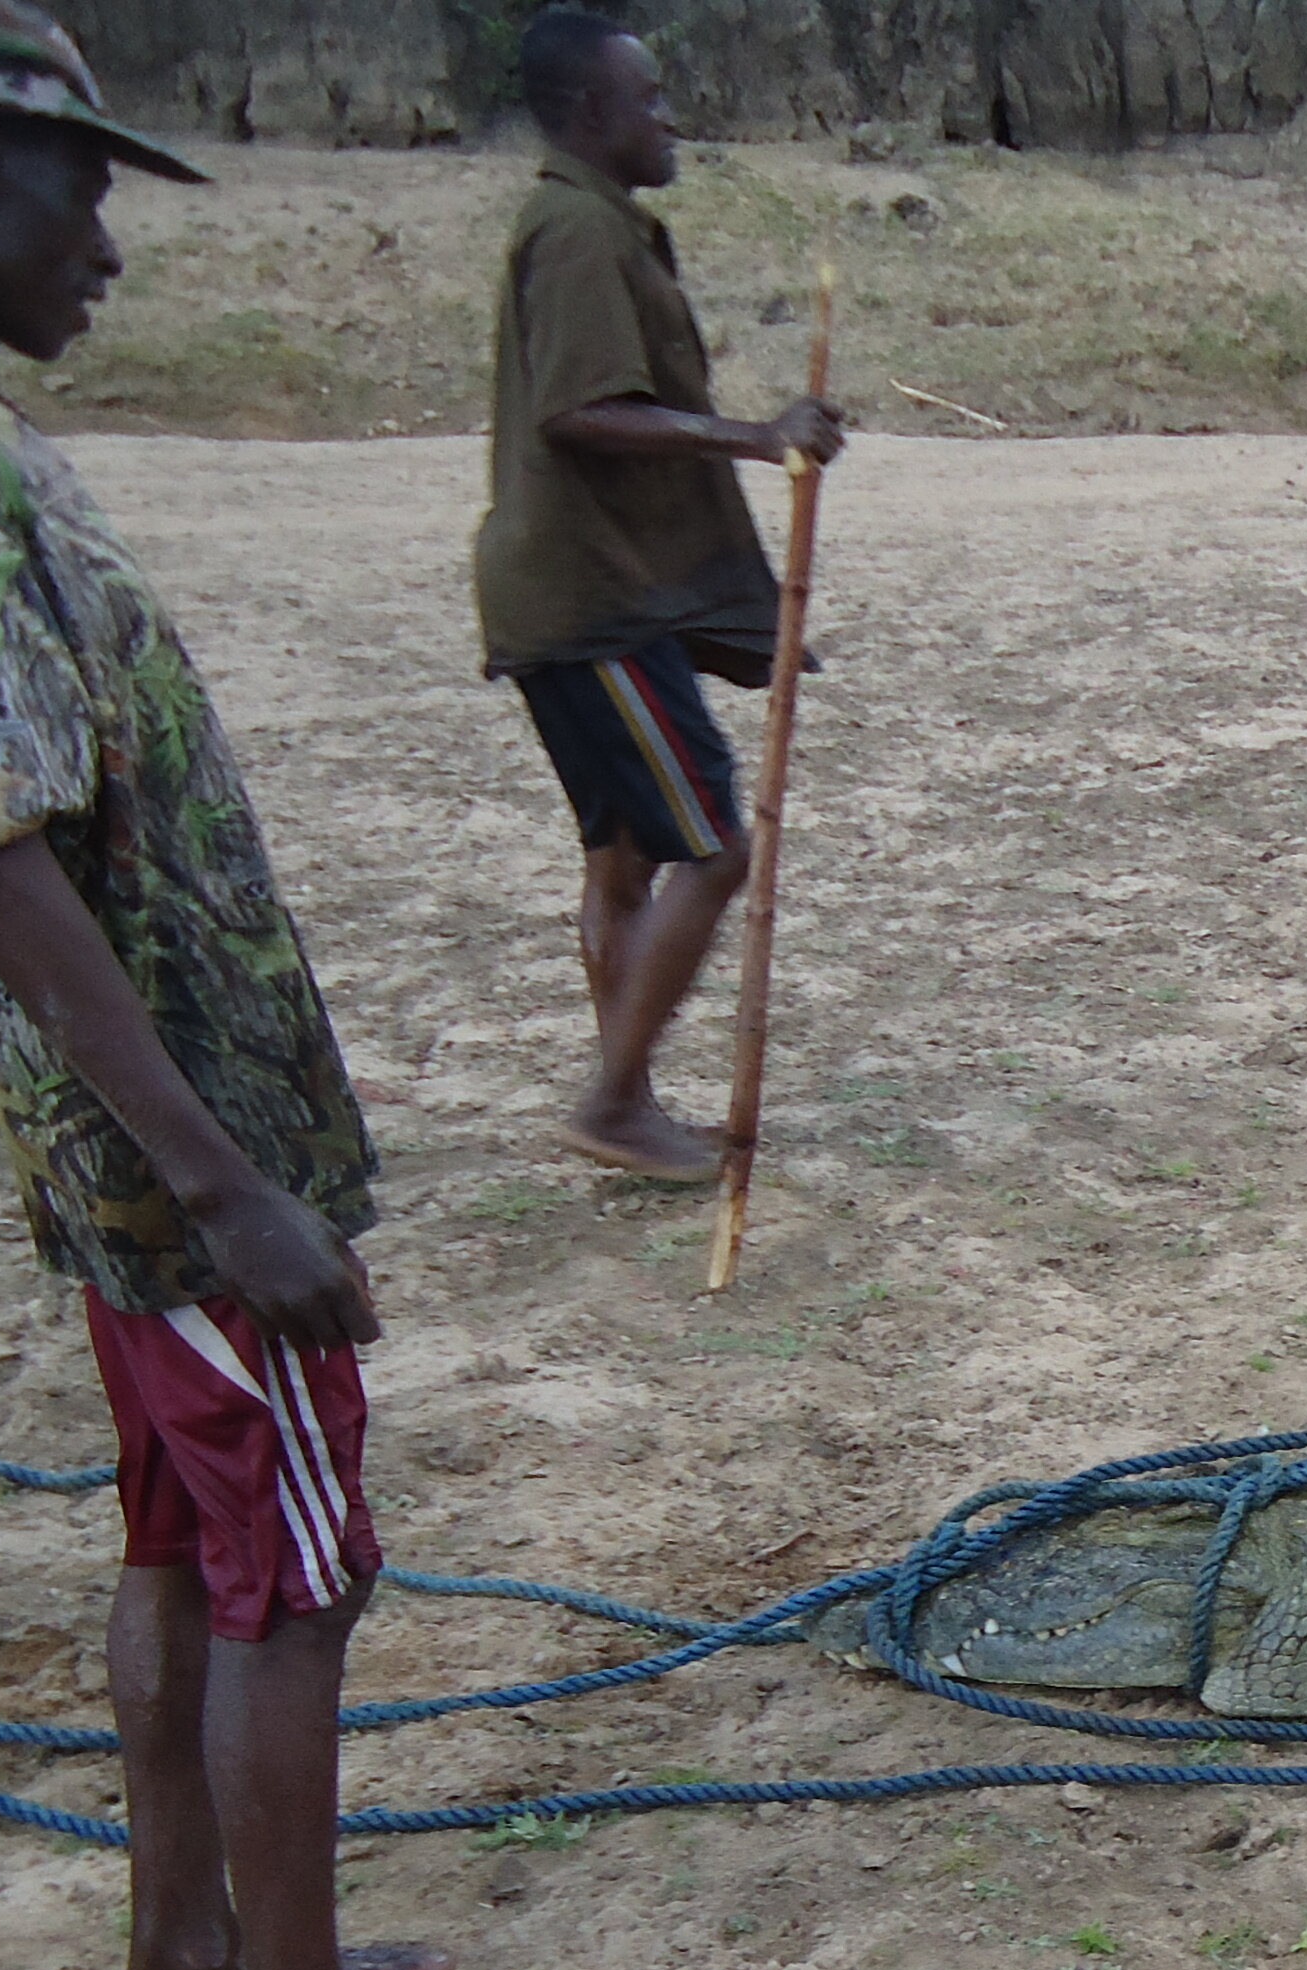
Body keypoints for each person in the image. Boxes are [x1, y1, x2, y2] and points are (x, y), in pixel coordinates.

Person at [0, 0, 557, 1970]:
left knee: (179, 1531)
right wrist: (227, 1181)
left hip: (131, 1170)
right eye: (85, 190)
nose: (110, 250)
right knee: (296, 1578)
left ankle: (190, 1958)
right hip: (176, 1171)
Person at [474, 2, 843, 1182]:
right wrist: (755, 437)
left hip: (571, 598)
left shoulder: (591, 225)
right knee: (716, 850)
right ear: (591, 113)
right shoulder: (577, 232)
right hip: (597, 603)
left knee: (624, 862)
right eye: (649, 99)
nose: (669, 118)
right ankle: (616, 1100)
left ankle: (624, 1096)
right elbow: (581, 411)